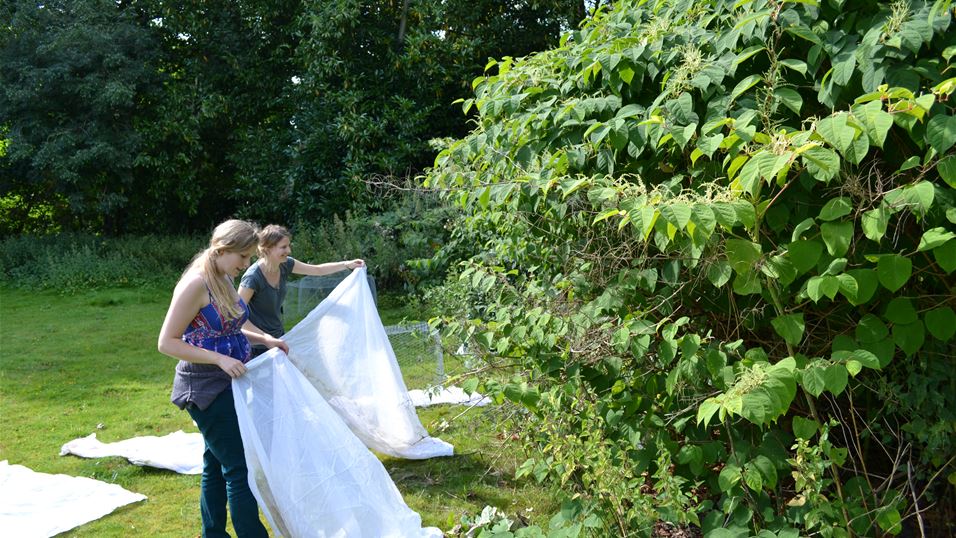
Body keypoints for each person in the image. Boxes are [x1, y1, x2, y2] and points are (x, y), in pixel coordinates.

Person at [157, 219, 288, 538]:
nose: (246, 264)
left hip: (230, 382)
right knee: (239, 469)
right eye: (242, 257)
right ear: (221, 250)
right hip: (203, 388)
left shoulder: (223, 278)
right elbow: (167, 342)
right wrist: (219, 358)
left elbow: (227, 327)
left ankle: (212, 533)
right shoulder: (195, 284)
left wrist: (266, 340)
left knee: (216, 465)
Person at [239, 224, 364, 356]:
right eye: (283, 247)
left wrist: (346, 264)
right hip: (255, 346)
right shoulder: (252, 277)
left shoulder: (285, 264)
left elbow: (317, 270)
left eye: (288, 246)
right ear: (268, 249)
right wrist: (264, 338)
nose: (289, 251)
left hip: (278, 337)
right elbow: (237, 316)